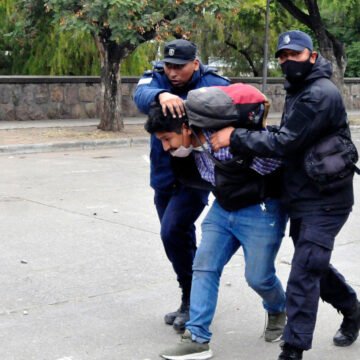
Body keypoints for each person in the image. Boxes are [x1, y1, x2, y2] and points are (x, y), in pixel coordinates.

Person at [210, 30, 360, 360]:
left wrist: (236, 137)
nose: (287, 61)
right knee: (314, 264)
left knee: (305, 270)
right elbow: (287, 137)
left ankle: (292, 350)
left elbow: (285, 142)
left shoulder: (317, 95)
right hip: (303, 196)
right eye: (282, 56)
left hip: (327, 198)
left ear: (312, 56)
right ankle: (352, 308)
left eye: (295, 54)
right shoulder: (301, 90)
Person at [144, 98, 287, 360]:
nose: (166, 147)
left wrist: (240, 142)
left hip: (261, 208)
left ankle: (278, 307)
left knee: (259, 277)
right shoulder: (188, 151)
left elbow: (276, 161)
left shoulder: (222, 140)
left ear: (186, 129)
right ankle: (197, 338)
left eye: (167, 139)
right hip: (222, 208)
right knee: (204, 266)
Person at [133, 39, 230, 332]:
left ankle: (193, 300)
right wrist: (161, 94)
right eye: (169, 66)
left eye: (180, 67)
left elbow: (234, 103)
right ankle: (190, 296)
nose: (173, 72)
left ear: (196, 64)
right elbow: (140, 94)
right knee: (175, 238)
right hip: (164, 174)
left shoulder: (212, 81)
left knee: (172, 229)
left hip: (195, 177)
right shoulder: (157, 78)